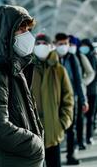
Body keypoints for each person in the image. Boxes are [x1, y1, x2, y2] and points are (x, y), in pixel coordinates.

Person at [0, 6, 44, 167]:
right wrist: (35, 145)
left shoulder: (15, 70)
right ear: (6, 34)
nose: (27, 34)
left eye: (28, 29)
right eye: (21, 29)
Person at [30, 34, 74, 167]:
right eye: (38, 43)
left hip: (53, 131)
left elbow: (68, 97)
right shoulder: (28, 69)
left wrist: (62, 122)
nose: (41, 46)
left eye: (44, 43)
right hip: (32, 131)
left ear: (50, 47)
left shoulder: (59, 70)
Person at [55, 33, 87, 165]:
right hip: (55, 100)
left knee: (70, 128)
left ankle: (70, 155)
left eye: (65, 44)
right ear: (55, 44)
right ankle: (54, 159)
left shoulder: (73, 59)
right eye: (60, 44)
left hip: (70, 100)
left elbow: (78, 81)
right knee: (55, 128)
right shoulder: (52, 58)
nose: (63, 46)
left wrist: (83, 100)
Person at [69, 35, 94, 150]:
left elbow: (90, 73)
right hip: (65, 94)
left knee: (79, 118)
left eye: (72, 44)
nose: (70, 46)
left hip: (79, 93)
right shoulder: (62, 57)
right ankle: (71, 141)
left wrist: (82, 82)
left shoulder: (80, 56)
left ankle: (79, 141)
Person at [79, 39, 97, 144]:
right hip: (82, 91)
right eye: (82, 45)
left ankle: (89, 137)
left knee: (90, 116)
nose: (83, 48)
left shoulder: (94, 57)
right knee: (80, 117)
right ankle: (80, 139)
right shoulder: (79, 57)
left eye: (85, 46)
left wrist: (92, 79)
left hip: (93, 91)